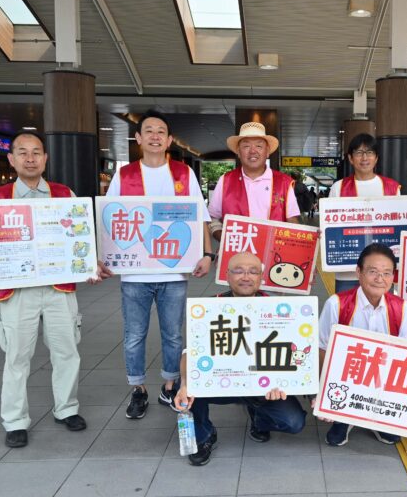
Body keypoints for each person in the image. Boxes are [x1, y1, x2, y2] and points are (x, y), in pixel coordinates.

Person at [0, 132, 108, 448]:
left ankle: (67, 408)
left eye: (36, 152)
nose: (30, 158)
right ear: (12, 159)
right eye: (22, 152)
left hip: (59, 290)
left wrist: (89, 265)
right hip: (17, 293)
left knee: (67, 351)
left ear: (45, 158)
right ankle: (15, 421)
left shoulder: (64, 194)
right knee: (17, 357)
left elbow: (80, 240)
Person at [107, 110, 214, 420]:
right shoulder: (125, 175)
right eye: (148, 131)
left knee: (173, 335)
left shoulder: (183, 174)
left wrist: (207, 254)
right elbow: (110, 218)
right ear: (138, 138)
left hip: (174, 272)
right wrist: (106, 258)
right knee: (134, 335)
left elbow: (199, 217)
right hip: (134, 274)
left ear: (169, 140)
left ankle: (169, 384)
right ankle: (137, 389)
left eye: (161, 131)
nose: (155, 136)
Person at [173, 252, 307, 465]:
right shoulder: (208, 308)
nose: (246, 276)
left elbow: (293, 357)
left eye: (253, 272)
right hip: (220, 383)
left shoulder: (279, 310)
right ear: (226, 276)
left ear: (261, 278)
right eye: (239, 271)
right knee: (186, 384)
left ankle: (259, 418)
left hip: (261, 389)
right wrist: (185, 384)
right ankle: (204, 435)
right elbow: (189, 352)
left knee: (293, 422)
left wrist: (284, 384)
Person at [317, 243, 407, 446]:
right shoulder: (336, 303)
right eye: (373, 272)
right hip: (347, 378)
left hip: (384, 380)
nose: (380, 279)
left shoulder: (401, 308)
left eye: (387, 273)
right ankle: (343, 417)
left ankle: (380, 417)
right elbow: (322, 349)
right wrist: (323, 395)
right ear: (359, 272)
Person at [328, 134, 403, 293]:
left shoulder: (391, 188)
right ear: (350, 158)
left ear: (376, 158)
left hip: (380, 273)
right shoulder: (338, 188)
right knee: (346, 316)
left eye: (369, 152)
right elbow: (330, 227)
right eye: (358, 152)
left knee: (382, 315)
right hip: (347, 272)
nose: (364, 157)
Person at [208, 122, 300, 241]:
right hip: (236, 256)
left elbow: (292, 220)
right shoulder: (226, 180)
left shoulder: (284, 182)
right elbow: (212, 218)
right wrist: (225, 239)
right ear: (238, 152)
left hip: (272, 255)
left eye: (259, 146)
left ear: (267, 152)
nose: (252, 151)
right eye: (246, 146)